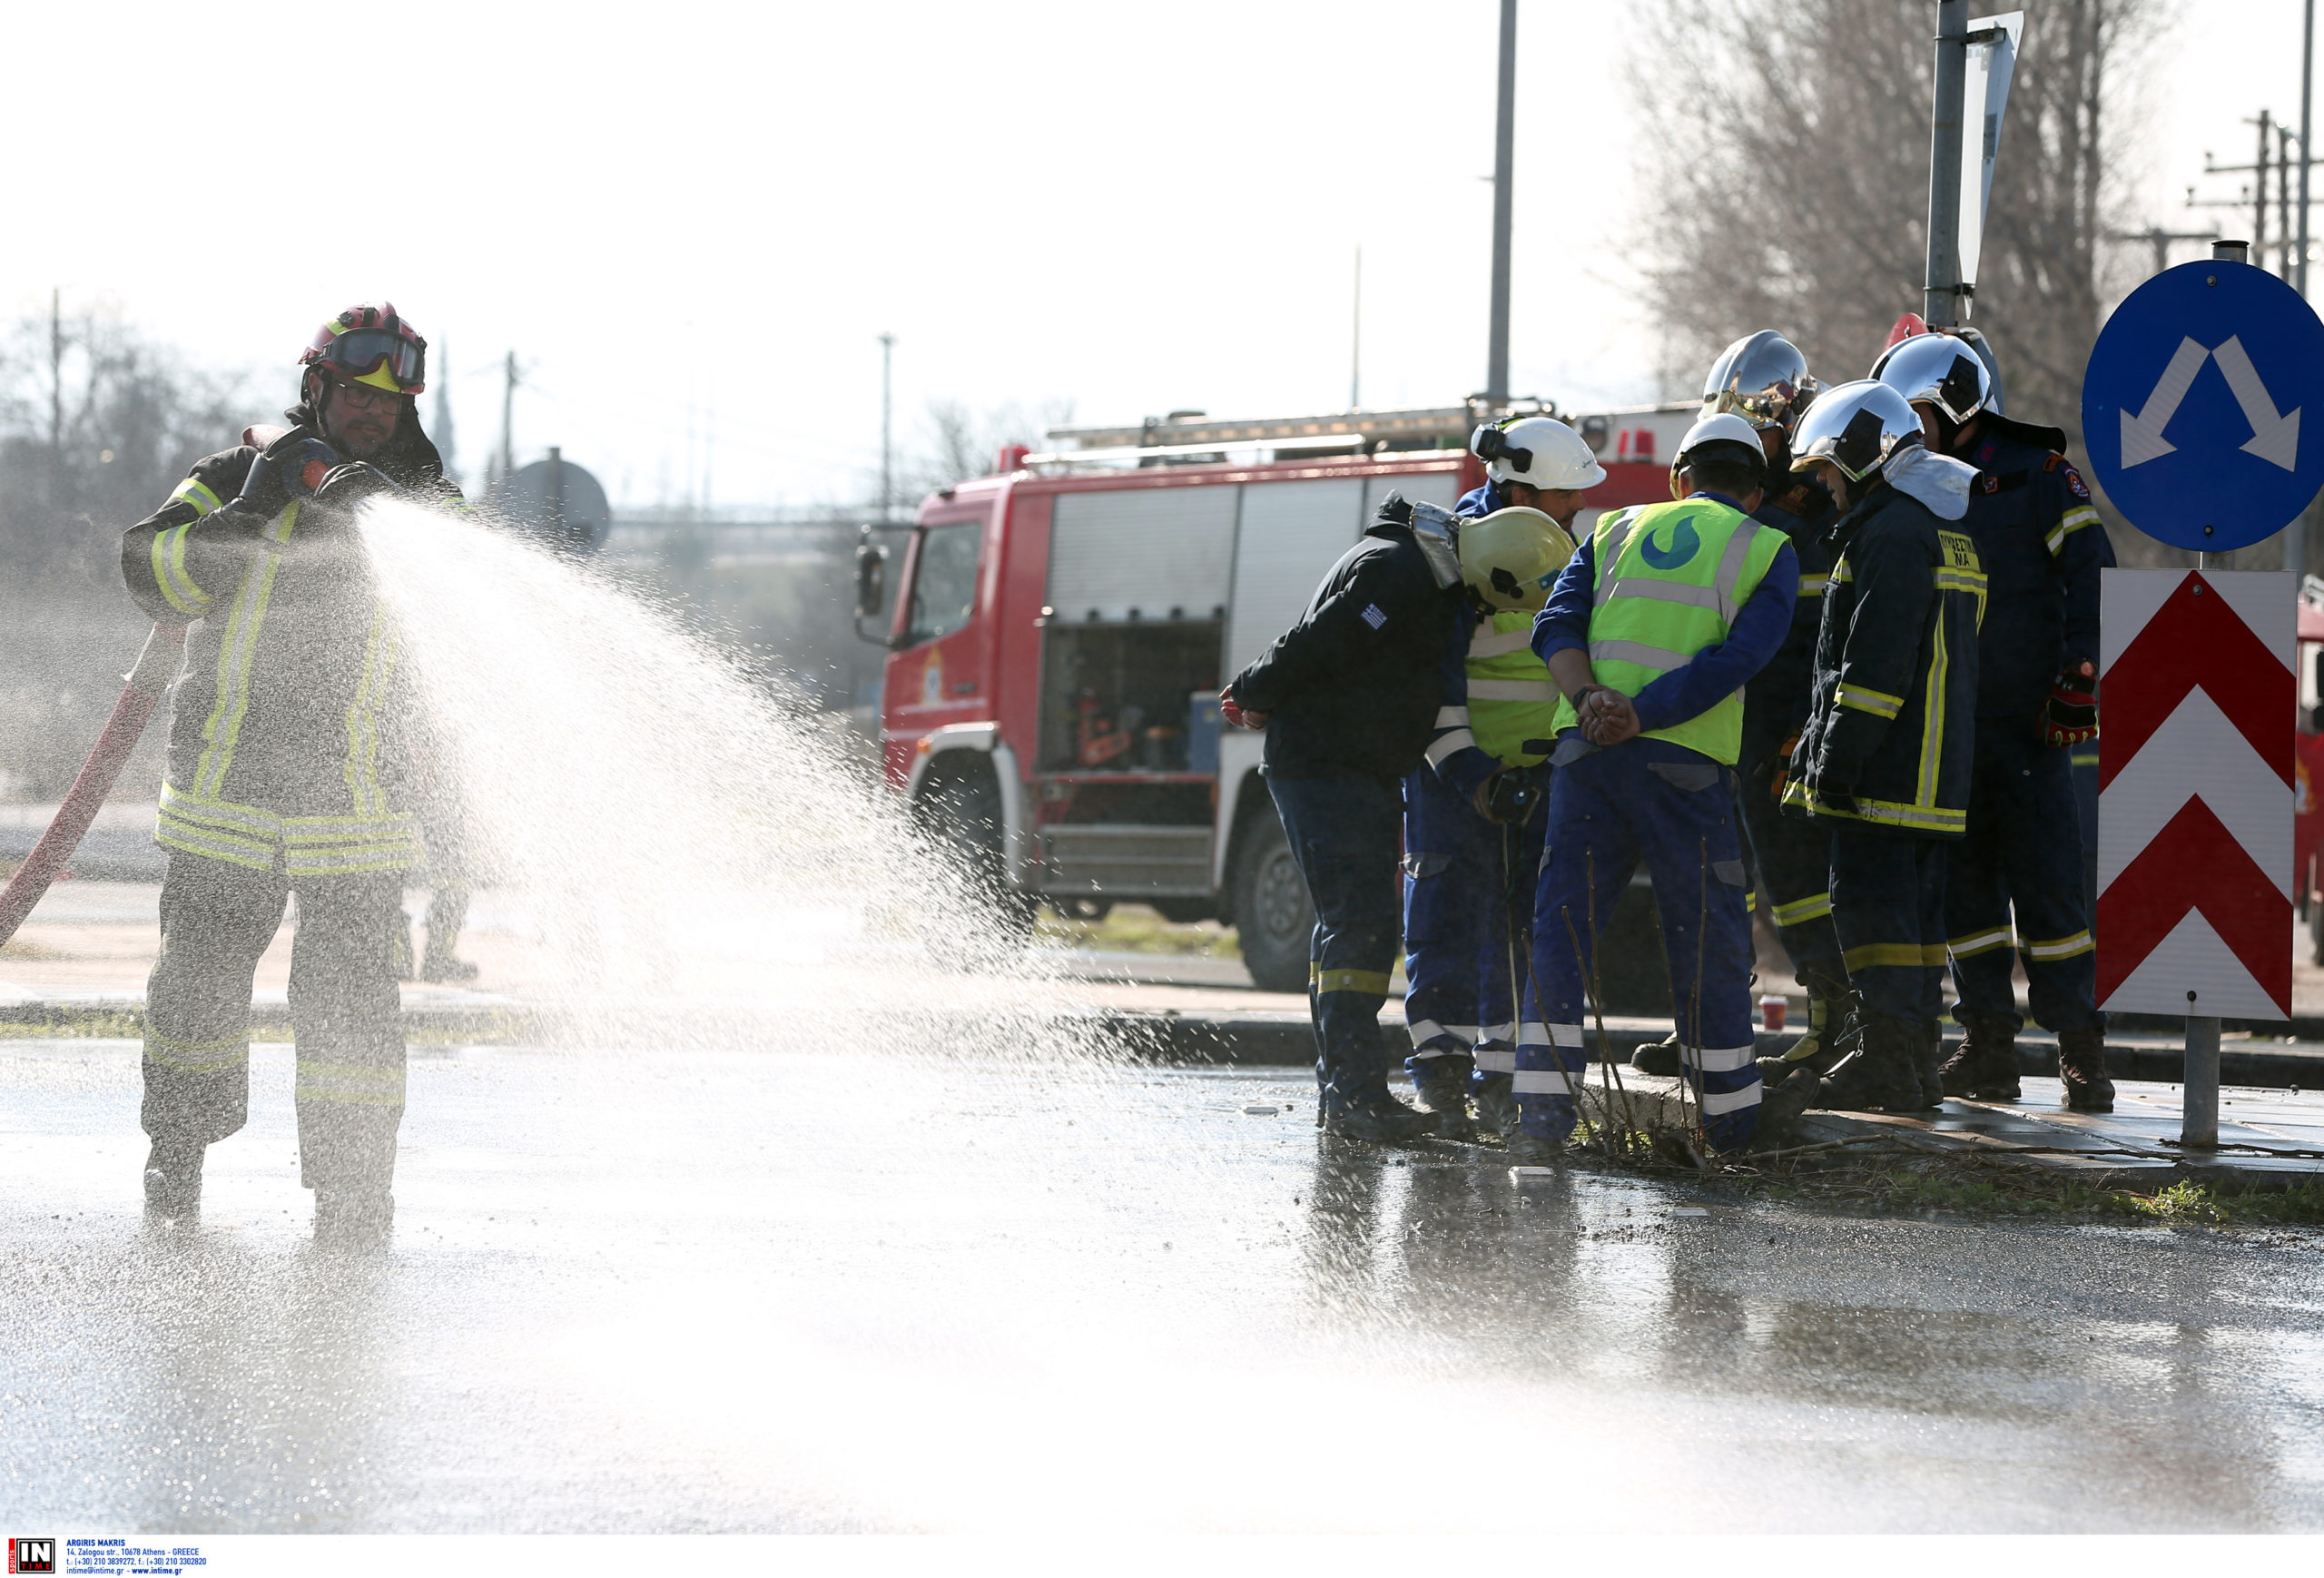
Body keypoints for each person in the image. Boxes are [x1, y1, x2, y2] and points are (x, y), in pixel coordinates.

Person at [120, 302, 462, 1248]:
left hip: (358, 809)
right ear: (318, 389)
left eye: (388, 401)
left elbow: (461, 646)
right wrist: (253, 509)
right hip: (224, 802)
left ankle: (355, 1200)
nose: (371, 413)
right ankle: (175, 1162)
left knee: (353, 1019)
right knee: (193, 999)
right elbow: (154, 575)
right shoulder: (233, 479)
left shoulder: (427, 511)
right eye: (354, 392)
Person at [1515, 414, 1805, 1162]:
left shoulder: (1611, 530)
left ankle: (1541, 1122)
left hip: (1586, 757)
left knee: (1562, 928)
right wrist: (1645, 713)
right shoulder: (1763, 547)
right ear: (1754, 493)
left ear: (1681, 478)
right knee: (1704, 932)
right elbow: (1741, 659)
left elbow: (1554, 625)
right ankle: (1728, 1129)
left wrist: (1591, 703)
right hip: (1684, 764)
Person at [1873, 331, 2115, 1112]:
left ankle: (2080, 1048)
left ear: (1951, 403)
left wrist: (2081, 675)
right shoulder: (1908, 485)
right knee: (1964, 900)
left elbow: (2093, 576)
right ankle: (1986, 1046)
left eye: (1913, 413)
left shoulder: (2040, 477)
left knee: (2052, 895)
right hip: (1943, 730)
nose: (1904, 433)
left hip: (2029, 726)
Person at [1637, 333, 1860, 1087]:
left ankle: (1835, 1024)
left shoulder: (1819, 510)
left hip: (1780, 732)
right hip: (1713, 726)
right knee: (1712, 887)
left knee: (1799, 885)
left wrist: (1807, 729)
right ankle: (1709, 1029)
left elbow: (1830, 640)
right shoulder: (1732, 514)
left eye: (1760, 426)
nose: (1749, 441)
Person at [1221, 491, 1465, 1139]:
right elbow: (1327, 637)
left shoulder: (1385, 557)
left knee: (1348, 928)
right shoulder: (1399, 568)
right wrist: (1254, 689)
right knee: (1359, 927)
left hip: (1340, 764)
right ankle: (1357, 1099)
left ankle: (1347, 1095)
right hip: (1333, 767)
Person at [1779, 380, 1984, 1112]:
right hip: (1932, 770)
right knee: (1918, 924)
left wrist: (1836, 762)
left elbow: (1872, 665)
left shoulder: (1891, 533)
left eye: (1828, 470)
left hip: (1886, 771)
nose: (1825, 487)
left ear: (1859, 455)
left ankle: (1887, 1062)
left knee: (1867, 910)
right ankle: (1915, 1062)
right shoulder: (1942, 527)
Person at [1399, 417, 1601, 1142]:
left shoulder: (1568, 551)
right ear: (1517, 486)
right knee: (1447, 922)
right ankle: (1440, 1082)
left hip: (1542, 774)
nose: (1575, 508)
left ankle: (1504, 1081)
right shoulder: (1451, 558)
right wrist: (1472, 776)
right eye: (1562, 494)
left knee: (1525, 932)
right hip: (1455, 779)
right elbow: (1428, 684)